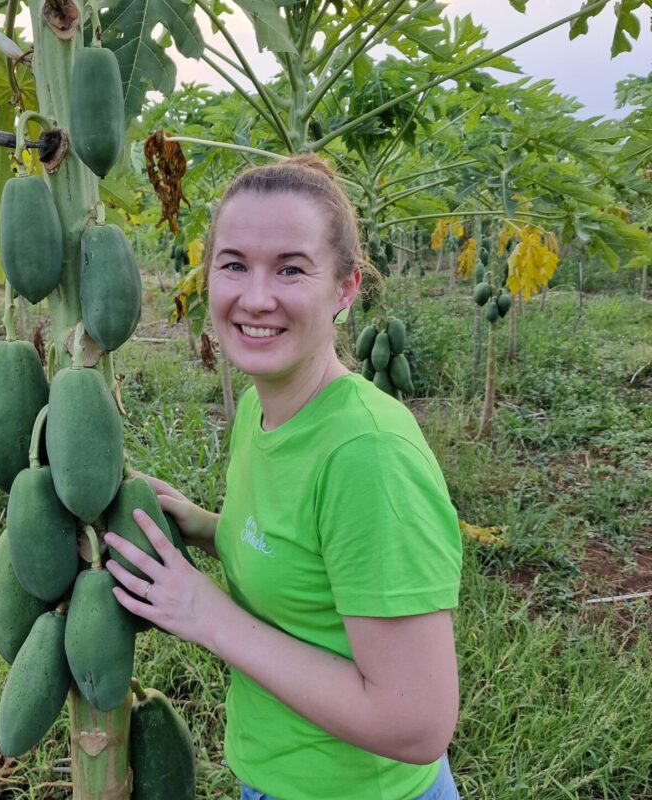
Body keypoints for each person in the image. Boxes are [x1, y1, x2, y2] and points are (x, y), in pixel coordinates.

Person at [104, 155, 463, 800]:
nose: (256, 297)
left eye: (291, 269)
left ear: (346, 289)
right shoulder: (258, 408)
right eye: (234, 264)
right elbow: (307, 558)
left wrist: (206, 614)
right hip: (272, 779)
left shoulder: (367, 456)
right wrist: (208, 528)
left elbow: (417, 723)